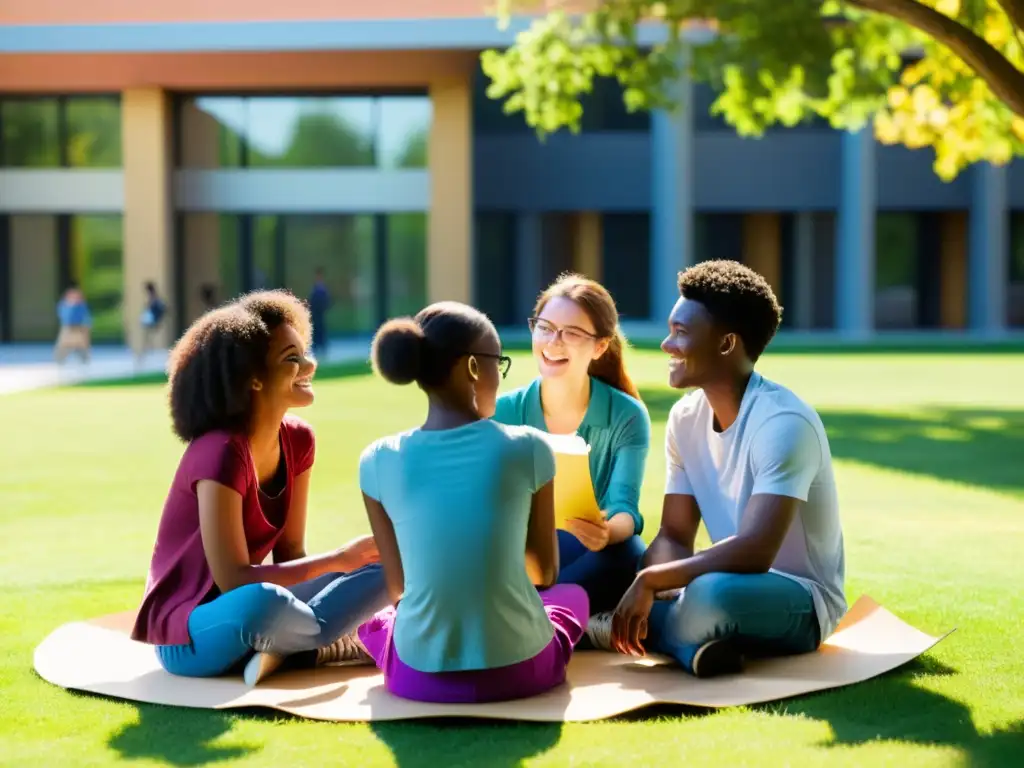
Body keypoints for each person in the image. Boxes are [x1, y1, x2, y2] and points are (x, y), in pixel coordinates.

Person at [589, 260, 846, 679]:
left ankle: (641, 633)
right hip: (725, 580)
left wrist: (654, 582)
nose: (666, 345)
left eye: (681, 332)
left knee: (709, 595)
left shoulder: (783, 423)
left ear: (727, 344)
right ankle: (694, 645)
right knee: (634, 565)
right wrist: (653, 579)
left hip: (800, 601)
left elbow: (756, 550)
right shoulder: (685, 418)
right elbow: (674, 535)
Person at [130, 289, 390, 687]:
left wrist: (348, 562)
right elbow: (233, 579)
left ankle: (286, 646)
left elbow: (290, 554)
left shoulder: (299, 440)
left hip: (263, 610)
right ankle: (321, 644)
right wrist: (337, 560)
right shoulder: (219, 451)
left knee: (389, 558)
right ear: (252, 379)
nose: (309, 364)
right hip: (191, 632)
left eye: (304, 352)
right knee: (263, 603)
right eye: (292, 359)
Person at [355, 301, 589, 703]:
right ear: (471, 368)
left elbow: (398, 589)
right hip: (520, 671)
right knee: (573, 599)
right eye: (497, 362)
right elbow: (544, 572)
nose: (499, 375)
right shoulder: (529, 448)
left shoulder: (376, 459)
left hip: (417, 679)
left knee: (376, 624)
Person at [493, 274, 651, 616]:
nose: (554, 342)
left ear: (600, 346)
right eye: (545, 327)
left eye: (572, 333)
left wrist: (606, 533)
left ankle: (528, 617)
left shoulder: (627, 415)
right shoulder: (502, 411)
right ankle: (555, 616)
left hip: (583, 552)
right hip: (514, 554)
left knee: (629, 553)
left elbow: (625, 505)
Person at [54, 283, 92, 364]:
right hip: (68, 328)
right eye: (73, 296)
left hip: (80, 328)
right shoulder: (64, 305)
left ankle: (84, 359)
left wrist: (87, 326)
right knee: (63, 345)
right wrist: (71, 305)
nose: (75, 298)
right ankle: (60, 360)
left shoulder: (82, 306)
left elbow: (86, 316)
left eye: (77, 296)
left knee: (82, 345)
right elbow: (65, 316)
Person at [308, 267, 331, 359]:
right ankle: (316, 346)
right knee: (316, 329)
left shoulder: (322, 289)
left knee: (321, 329)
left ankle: (322, 347)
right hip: (315, 313)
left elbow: (326, 301)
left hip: (320, 313)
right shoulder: (315, 288)